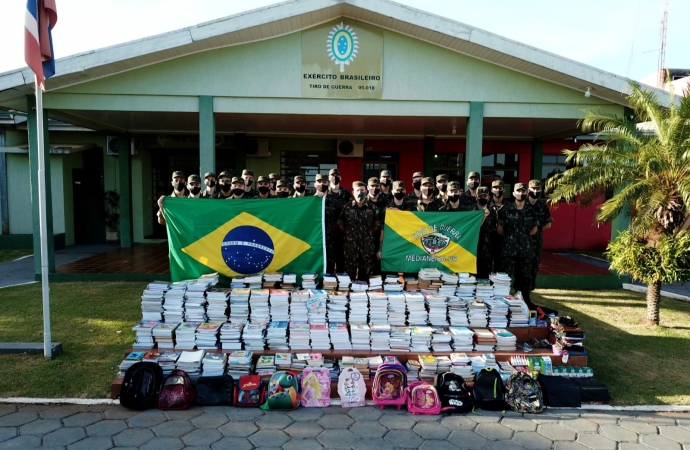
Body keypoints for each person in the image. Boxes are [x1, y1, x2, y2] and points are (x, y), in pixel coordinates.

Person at [497, 183, 539, 309]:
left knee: (525, 278)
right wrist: (512, 238)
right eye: (518, 191)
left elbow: (534, 229)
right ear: (514, 193)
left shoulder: (531, 210)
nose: (521, 193)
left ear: (526, 193)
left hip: (526, 251)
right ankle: (503, 301)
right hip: (508, 251)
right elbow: (500, 229)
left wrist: (523, 238)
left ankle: (525, 302)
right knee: (506, 278)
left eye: (523, 191)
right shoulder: (506, 209)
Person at [338, 181, 381, 281]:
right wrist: (350, 234)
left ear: (366, 191)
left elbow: (376, 226)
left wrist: (367, 235)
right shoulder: (346, 207)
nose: (360, 192)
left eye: (362, 190)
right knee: (349, 275)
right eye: (357, 190)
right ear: (353, 192)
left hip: (367, 246)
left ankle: (362, 295)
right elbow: (340, 224)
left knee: (365, 275)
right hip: (350, 246)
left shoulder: (372, 207)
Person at [325, 168, 353, 274]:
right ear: (329, 177)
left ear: (340, 177)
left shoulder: (346, 193)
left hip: (342, 232)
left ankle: (342, 284)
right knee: (329, 261)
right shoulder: (326, 193)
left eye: (337, 175)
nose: (335, 177)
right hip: (329, 232)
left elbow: (351, 210)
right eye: (332, 175)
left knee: (341, 260)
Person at [527, 179, 553, 290]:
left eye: (538, 189)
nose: (535, 191)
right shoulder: (522, 204)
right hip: (522, 239)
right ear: (528, 189)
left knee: (534, 263)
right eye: (533, 188)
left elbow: (549, 224)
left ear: (541, 190)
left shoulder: (543, 206)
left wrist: (536, 229)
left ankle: (531, 286)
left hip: (536, 240)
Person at [367, 177, 387, 276]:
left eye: (377, 186)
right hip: (366, 238)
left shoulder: (386, 202)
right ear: (367, 187)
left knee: (380, 266)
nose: (374, 188)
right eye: (372, 186)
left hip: (382, 237)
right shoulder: (362, 202)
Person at [475, 186, 495, 279]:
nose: (483, 198)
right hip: (473, 249)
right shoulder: (471, 211)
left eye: (485, 196)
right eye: (480, 196)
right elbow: (474, 228)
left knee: (485, 278)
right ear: (476, 197)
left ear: (488, 197)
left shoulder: (493, 211)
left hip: (488, 249)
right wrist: (484, 216)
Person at [489, 179, 508, 272]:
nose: (498, 190)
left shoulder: (510, 206)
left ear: (504, 190)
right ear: (491, 190)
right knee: (485, 268)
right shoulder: (486, 204)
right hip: (487, 242)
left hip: (503, 242)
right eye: (495, 188)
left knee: (500, 269)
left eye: (500, 188)